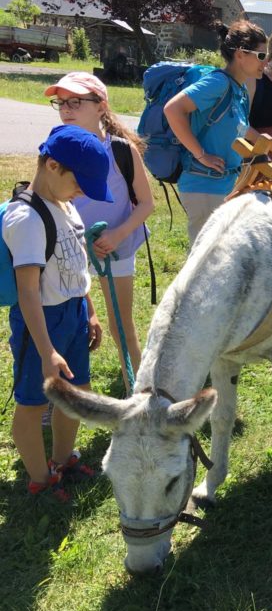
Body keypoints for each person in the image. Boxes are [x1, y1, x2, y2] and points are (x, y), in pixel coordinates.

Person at [3, 125, 111, 501]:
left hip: (74, 313)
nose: (82, 192)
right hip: (41, 322)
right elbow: (28, 291)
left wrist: (90, 311)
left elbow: (77, 266)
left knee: (74, 393)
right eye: (79, 183)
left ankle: (63, 460)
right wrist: (47, 349)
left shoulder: (65, 205)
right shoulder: (26, 219)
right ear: (52, 166)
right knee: (33, 404)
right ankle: (40, 479)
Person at [45, 72, 154, 390]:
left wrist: (117, 235)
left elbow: (146, 203)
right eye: (61, 102)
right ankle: (65, 397)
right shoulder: (55, 149)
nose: (66, 109)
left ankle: (139, 396)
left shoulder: (120, 150)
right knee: (70, 325)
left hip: (115, 249)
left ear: (101, 106)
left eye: (76, 102)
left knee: (122, 329)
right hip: (68, 251)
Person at [164, 19, 268, 244]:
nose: (266, 62)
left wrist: (266, 143)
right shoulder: (218, 83)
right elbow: (173, 109)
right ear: (240, 54)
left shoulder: (239, 89)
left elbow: (238, 126)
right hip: (204, 186)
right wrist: (201, 154)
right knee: (208, 258)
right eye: (261, 55)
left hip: (225, 185)